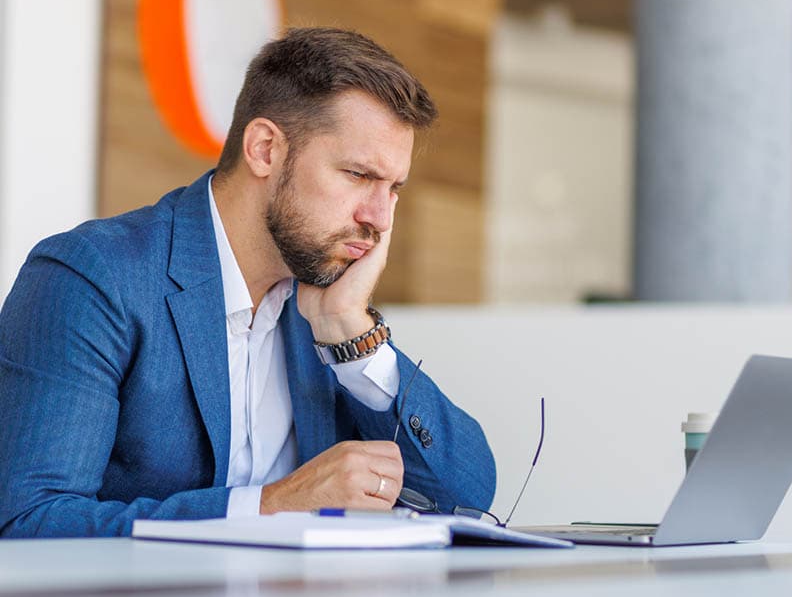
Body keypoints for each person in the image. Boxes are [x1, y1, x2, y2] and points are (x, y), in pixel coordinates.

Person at [0, 27, 496, 538]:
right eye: (357, 175)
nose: (379, 218)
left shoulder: (323, 303)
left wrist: (353, 335)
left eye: (393, 189)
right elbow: (29, 523)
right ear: (264, 149)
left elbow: (466, 495)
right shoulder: (94, 276)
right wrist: (273, 505)